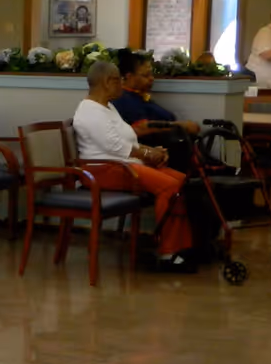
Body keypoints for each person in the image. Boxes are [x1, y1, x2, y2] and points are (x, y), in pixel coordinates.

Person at [72, 60, 196, 271]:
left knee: (181, 181)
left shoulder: (107, 106)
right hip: (104, 170)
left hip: (123, 164)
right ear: (107, 82)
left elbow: (128, 138)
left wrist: (154, 152)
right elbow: (116, 147)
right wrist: (149, 154)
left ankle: (183, 247)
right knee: (170, 187)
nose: (122, 85)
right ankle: (168, 252)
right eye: (118, 80)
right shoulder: (90, 111)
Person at [111, 50, 200, 136]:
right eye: (146, 75)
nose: (151, 78)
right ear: (129, 76)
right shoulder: (123, 99)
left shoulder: (141, 97)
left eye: (151, 74)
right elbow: (139, 128)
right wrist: (179, 125)